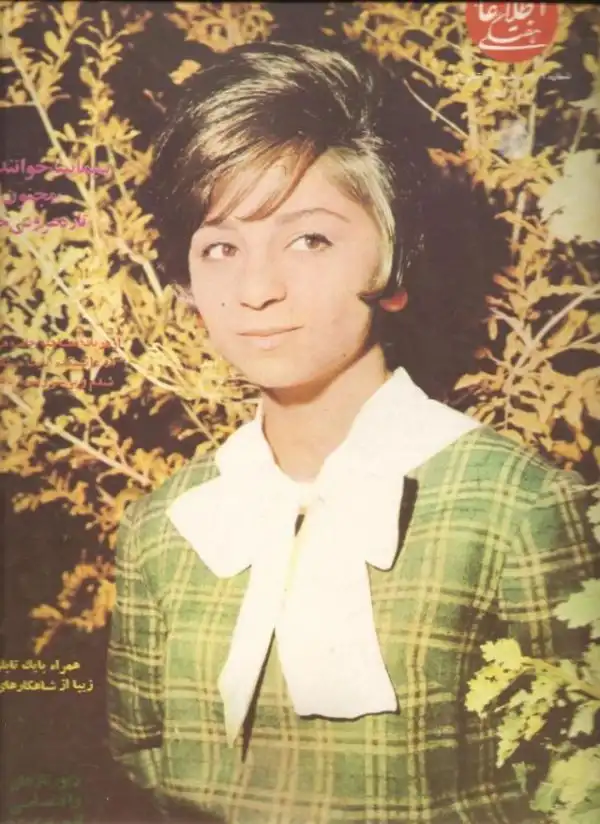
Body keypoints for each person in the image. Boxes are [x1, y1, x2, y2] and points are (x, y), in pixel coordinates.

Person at [106, 41, 598, 824]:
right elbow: (136, 776)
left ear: (395, 264)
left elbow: (577, 790)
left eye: (310, 239)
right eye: (221, 247)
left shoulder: (516, 506)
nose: (257, 289)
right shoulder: (163, 527)